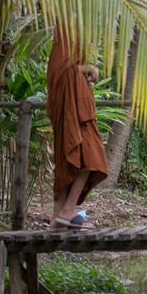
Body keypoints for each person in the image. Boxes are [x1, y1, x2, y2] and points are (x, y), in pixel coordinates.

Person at [46, 24, 108, 229]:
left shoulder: (73, 23)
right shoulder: (67, 24)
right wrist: (86, 69)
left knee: (71, 155)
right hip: (71, 102)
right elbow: (61, 72)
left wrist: (84, 69)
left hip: (74, 100)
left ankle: (58, 218)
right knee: (90, 154)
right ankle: (68, 210)